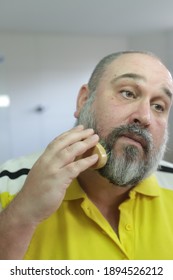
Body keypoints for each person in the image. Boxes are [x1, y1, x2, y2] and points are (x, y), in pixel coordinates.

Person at [0, 51, 173, 260]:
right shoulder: (9, 185)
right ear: (84, 100)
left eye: (159, 106)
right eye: (128, 93)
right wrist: (22, 215)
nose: (145, 116)